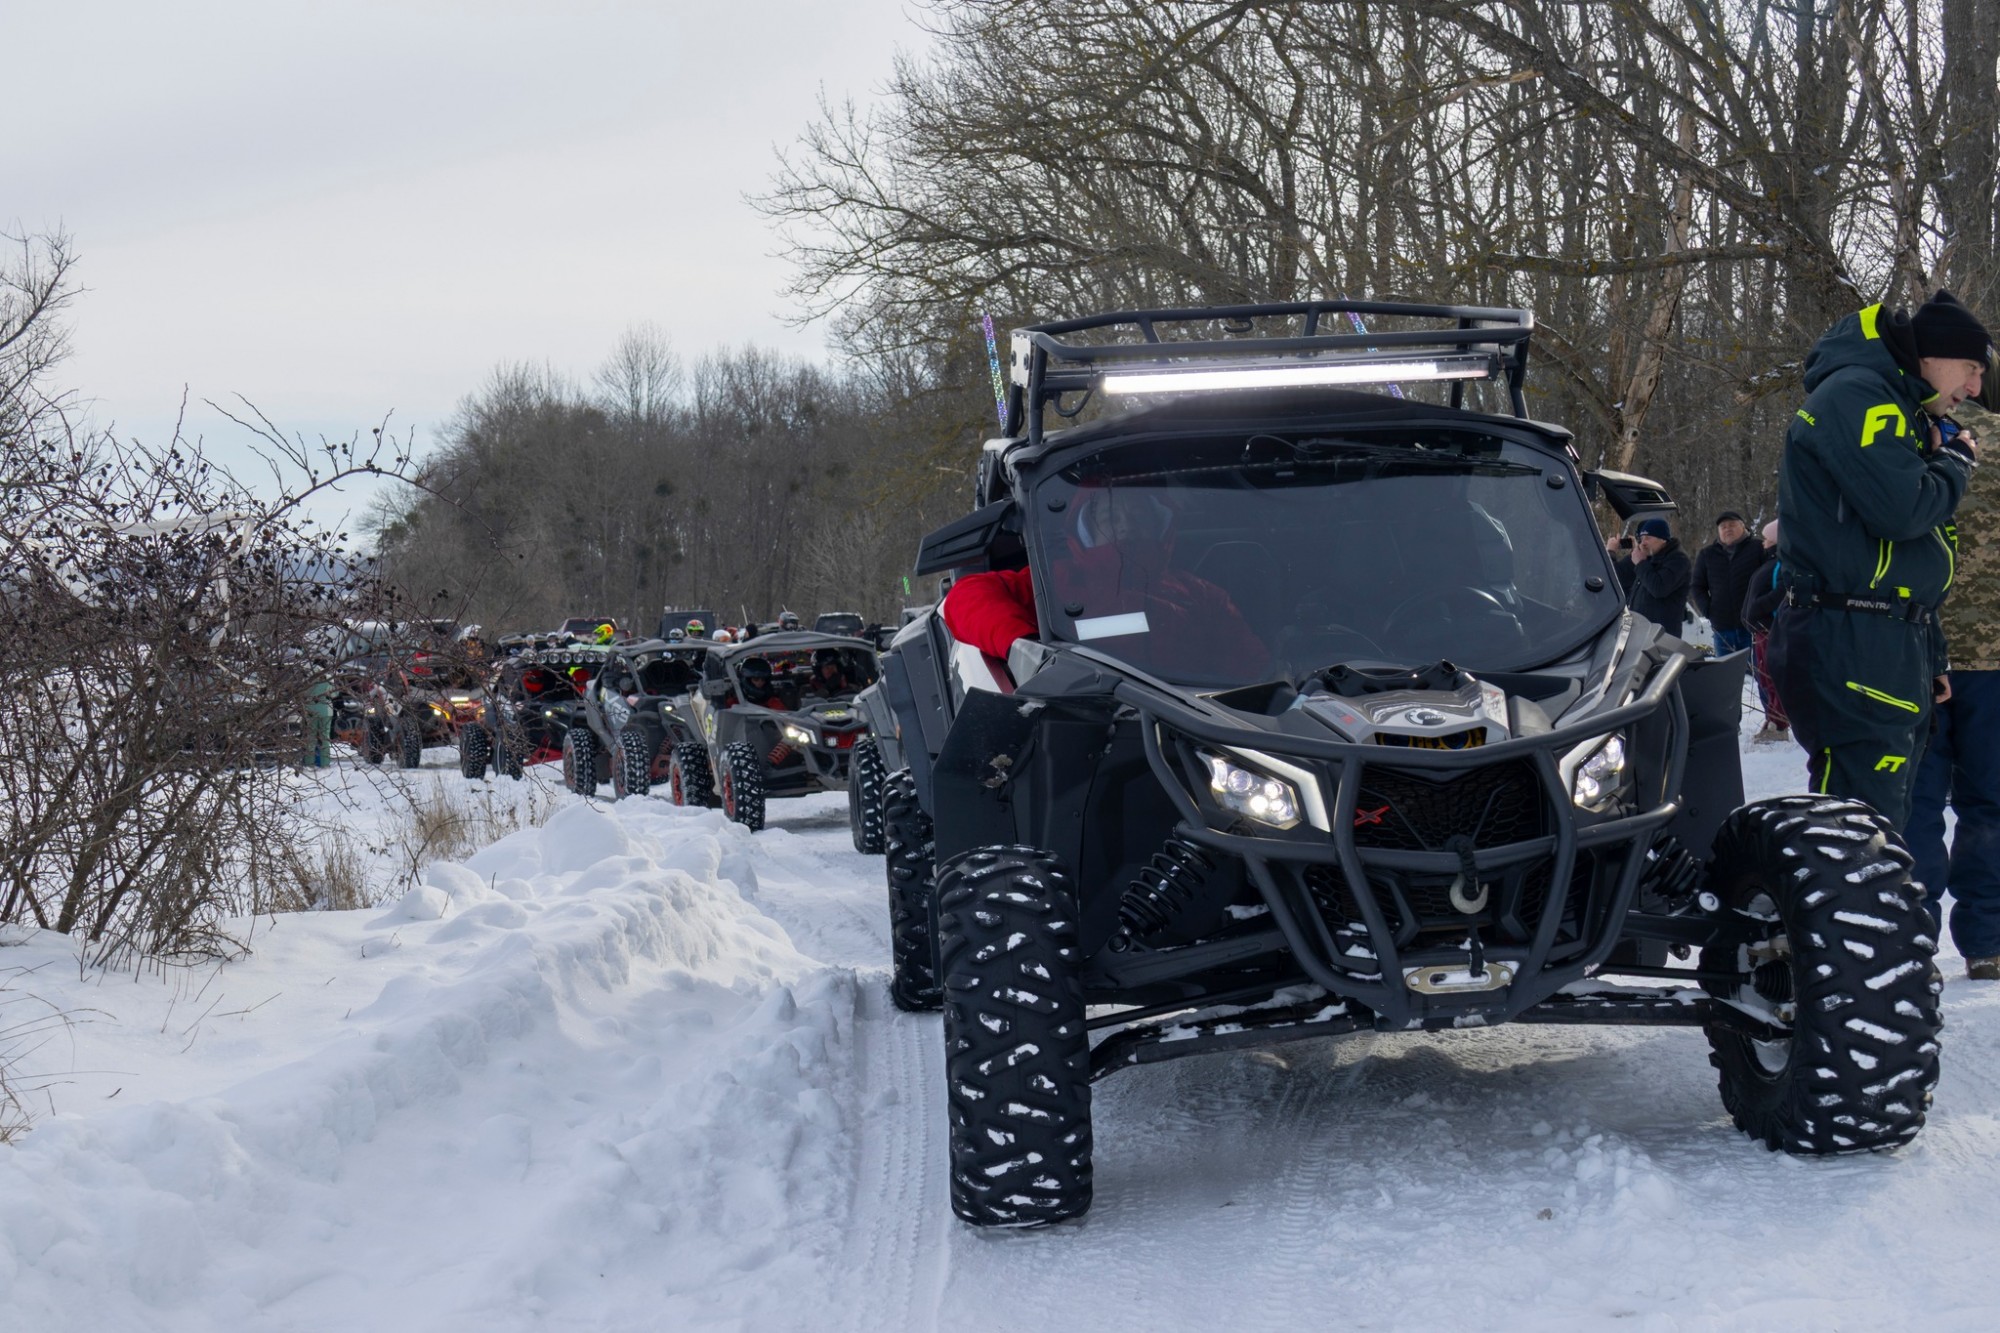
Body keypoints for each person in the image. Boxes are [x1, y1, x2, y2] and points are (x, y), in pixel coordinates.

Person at [1768, 290, 1985, 829]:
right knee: (1861, 830)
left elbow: (1912, 558)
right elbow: (1903, 511)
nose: (1974, 389)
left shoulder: (1897, 408)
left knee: (1887, 826)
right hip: (1849, 635)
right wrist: (1956, 461)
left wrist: (1931, 655)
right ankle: (1843, 914)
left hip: (1886, 637)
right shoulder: (1857, 394)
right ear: (1932, 355)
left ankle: (1875, 912)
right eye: (1971, 368)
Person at [942, 482, 1270, 682]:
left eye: (1139, 514)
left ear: (1160, 525)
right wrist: (1024, 648)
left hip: (1198, 732)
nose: (1125, 525)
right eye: (1110, 517)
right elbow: (966, 597)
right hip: (1093, 733)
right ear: (1085, 529)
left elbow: (1250, 670)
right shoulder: (1056, 583)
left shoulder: (1199, 595)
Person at [1908, 386, 2000, 977]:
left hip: (1915, 650)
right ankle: (1987, 942)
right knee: (1989, 805)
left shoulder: (1908, 434)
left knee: (1915, 804)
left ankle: (1913, 945)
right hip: (1990, 660)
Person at [1741, 520, 1790, 743]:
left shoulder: (1783, 563)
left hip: (1771, 629)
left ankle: (1779, 725)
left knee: (1772, 679)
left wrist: (1758, 606)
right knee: (1765, 678)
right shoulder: (1770, 561)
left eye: (1768, 537)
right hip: (1761, 630)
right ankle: (1771, 720)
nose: (1763, 542)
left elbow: (1781, 592)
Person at [1691, 510, 1763, 655]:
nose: (1727, 529)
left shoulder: (1758, 548)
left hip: (1751, 625)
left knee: (1754, 675)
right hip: (1722, 628)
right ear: (1718, 531)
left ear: (1743, 527)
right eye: (1723, 527)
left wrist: (1760, 607)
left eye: (1732, 525)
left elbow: (1769, 580)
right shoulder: (1707, 554)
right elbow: (1697, 586)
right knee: (1726, 674)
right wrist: (1708, 610)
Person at [1624, 517, 1692, 638]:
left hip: (1663, 634)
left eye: (1648, 538)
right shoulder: (1648, 560)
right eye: (1642, 538)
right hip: (1640, 632)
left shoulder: (1678, 559)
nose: (1643, 542)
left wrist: (1640, 564)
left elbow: (1659, 588)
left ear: (1662, 539)